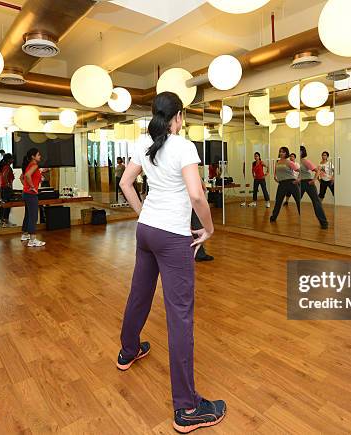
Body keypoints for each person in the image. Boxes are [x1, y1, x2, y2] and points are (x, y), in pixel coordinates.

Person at [117, 91, 225, 433]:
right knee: (180, 315)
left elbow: (126, 182)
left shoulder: (143, 141)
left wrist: (143, 214)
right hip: (172, 237)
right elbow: (196, 194)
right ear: (178, 116)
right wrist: (208, 229)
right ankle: (187, 408)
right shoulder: (182, 145)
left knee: (139, 293)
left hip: (146, 231)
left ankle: (128, 351)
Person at [20, 148, 46, 247]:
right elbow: (26, 175)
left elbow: (23, 177)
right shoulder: (34, 165)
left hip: (27, 193)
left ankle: (24, 235)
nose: (40, 156)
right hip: (31, 194)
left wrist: (27, 186)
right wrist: (31, 187)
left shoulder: (30, 165)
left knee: (28, 214)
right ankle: (32, 240)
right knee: (33, 216)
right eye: (38, 155)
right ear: (33, 156)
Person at [299, 146, 328, 229]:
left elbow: (317, 170)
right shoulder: (295, 161)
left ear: (303, 152)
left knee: (316, 202)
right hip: (301, 183)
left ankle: (324, 223)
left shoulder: (305, 161)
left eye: (300, 151)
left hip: (308, 183)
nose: (298, 152)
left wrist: (314, 180)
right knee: (297, 201)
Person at [270, 147, 301, 223]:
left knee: (298, 200)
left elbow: (300, 171)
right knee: (278, 201)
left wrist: (298, 180)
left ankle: (301, 216)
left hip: (291, 183)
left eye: (283, 152)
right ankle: (274, 217)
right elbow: (276, 171)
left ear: (286, 153)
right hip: (282, 184)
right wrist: (275, 177)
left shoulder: (289, 162)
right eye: (280, 151)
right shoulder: (277, 162)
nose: (281, 153)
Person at [0, 153, 15, 227]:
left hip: (2, 187)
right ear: (9, 160)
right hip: (6, 188)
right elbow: (4, 175)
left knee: (3, 203)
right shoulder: (7, 167)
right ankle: (5, 221)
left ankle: (2, 219)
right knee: (7, 204)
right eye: (12, 158)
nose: (13, 160)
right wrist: (8, 183)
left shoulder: (3, 166)